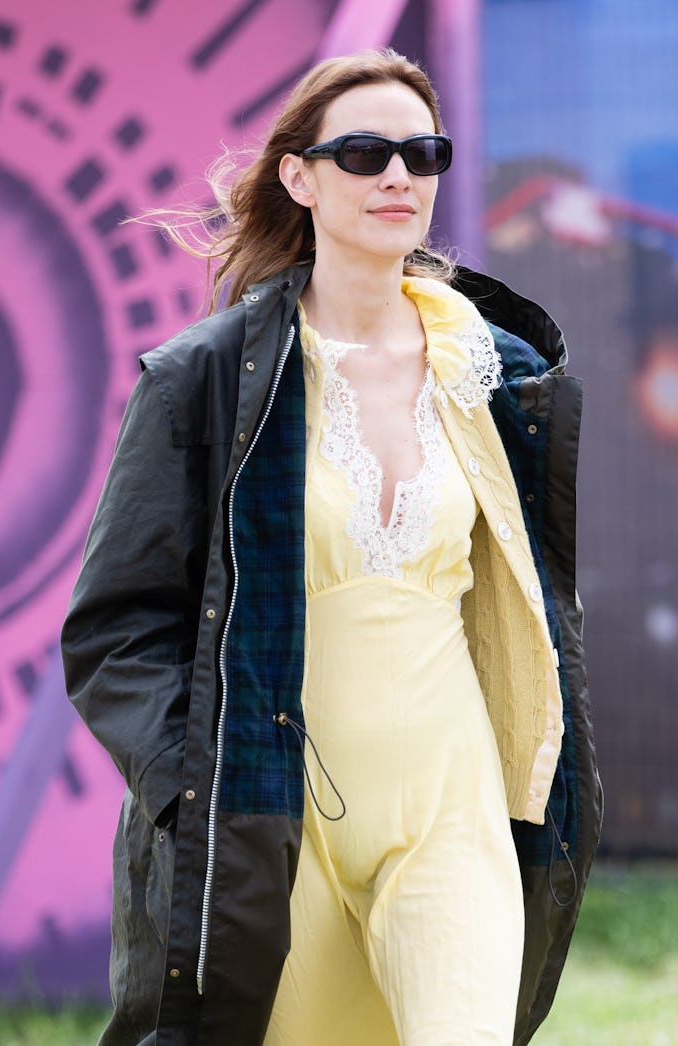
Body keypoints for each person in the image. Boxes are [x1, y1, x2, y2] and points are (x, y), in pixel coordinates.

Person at [62, 48, 601, 1046]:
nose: (399, 175)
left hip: (454, 801)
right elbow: (113, 628)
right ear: (300, 177)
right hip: (276, 821)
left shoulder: (505, 377)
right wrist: (195, 785)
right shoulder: (207, 380)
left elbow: (536, 600)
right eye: (364, 152)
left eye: (422, 152)